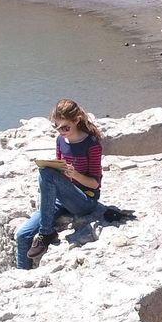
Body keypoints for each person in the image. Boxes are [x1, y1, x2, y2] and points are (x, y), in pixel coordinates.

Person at [15, 99, 105, 270]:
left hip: (85, 200)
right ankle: (21, 278)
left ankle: (46, 233)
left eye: (65, 127)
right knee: (22, 235)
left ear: (77, 120)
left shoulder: (91, 145)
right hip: (62, 198)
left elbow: (94, 184)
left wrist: (75, 174)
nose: (61, 131)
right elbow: (58, 169)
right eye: (57, 127)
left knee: (46, 173)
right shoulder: (60, 141)